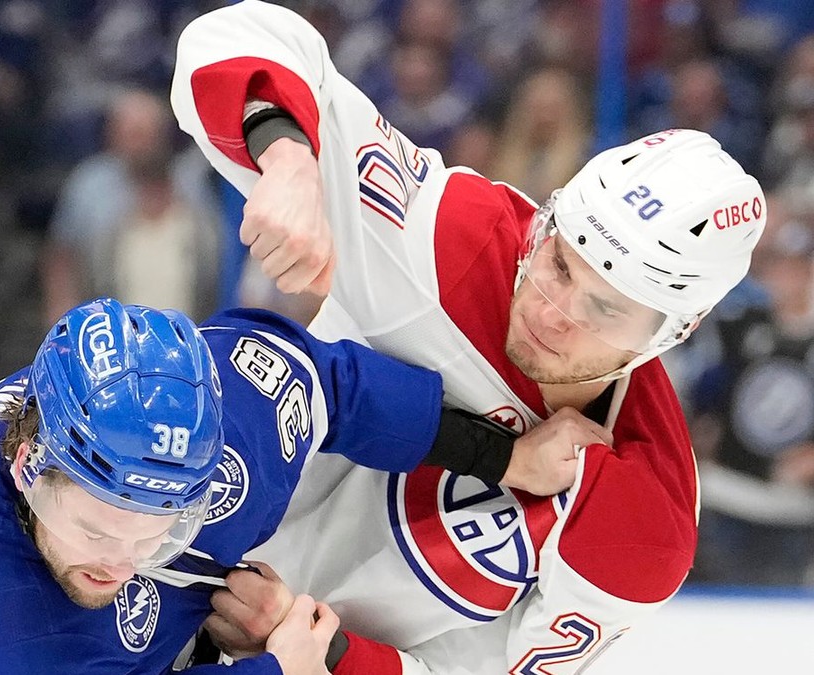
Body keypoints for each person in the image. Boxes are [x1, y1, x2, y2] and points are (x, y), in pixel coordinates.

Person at [169, 1, 768, 672]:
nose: (550, 309)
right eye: (560, 261)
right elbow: (238, 32)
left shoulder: (641, 518)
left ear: (674, 333)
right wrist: (288, 159)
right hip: (148, 550)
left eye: (603, 309)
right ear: (545, 221)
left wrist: (326, 651)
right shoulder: (450, 243)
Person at [0, 297, 598, 674]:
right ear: (27, 468)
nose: (120, 561)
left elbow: (334, 386)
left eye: (157, 526)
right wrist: (277, 667)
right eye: (94, 528)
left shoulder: (236, 408)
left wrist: (501, 457)